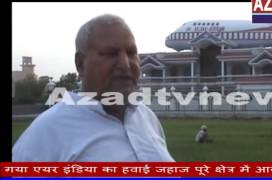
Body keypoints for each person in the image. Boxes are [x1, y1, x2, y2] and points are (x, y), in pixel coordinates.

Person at [12, 14, 175, 162]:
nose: (125, 64)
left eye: (131, 52)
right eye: (110, 53)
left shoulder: (147, 118)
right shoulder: (46, 132)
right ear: (80, 64)